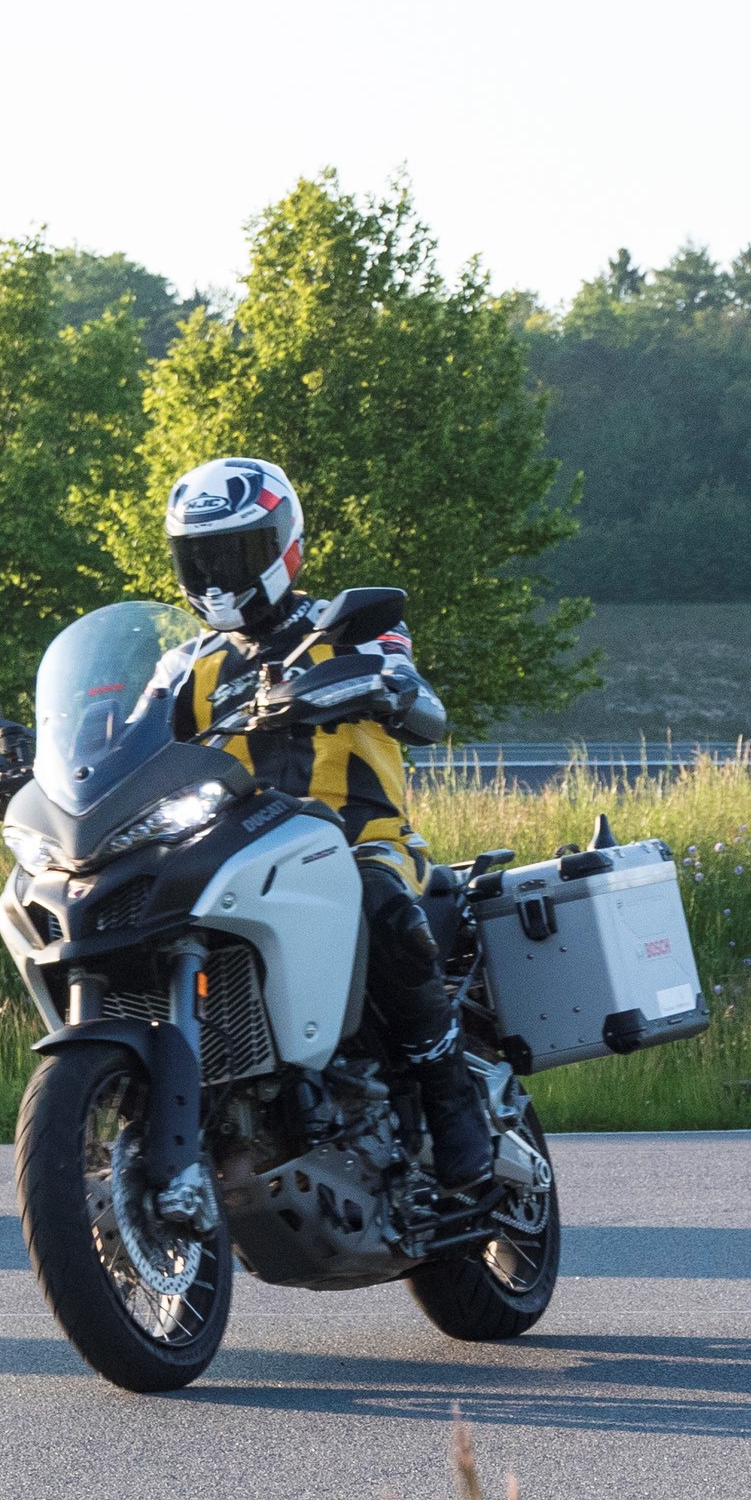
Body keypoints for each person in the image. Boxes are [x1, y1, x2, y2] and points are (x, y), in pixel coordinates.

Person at [147, 455, 494, 1186]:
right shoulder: (185, 664)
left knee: (382, 905)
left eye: (232, 553)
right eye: (198, 556)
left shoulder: (345, 625)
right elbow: (131, 737)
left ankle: (449, 1092)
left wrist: (372, 685)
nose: (214, 573)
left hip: (355, 836)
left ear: (283, 548)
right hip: (234, 852)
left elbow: (423, 704)